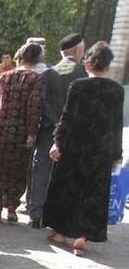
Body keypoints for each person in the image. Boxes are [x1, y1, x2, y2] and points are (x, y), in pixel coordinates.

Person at [42, 41, 124, 256]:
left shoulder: (78, 86)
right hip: (101, 150)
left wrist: (57, 142)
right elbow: (116, 124)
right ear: (108, 65)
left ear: (88, 63)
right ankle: (81, 238)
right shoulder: (116, 90)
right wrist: (117, 153)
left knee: (68, 188)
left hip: (75, 147)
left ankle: (60, 232)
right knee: (93, 192)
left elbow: (67, 118)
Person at [0, 42, 45, 223]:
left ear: (19, 57)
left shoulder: (4, 77)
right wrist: (32, 133)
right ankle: (12, 208)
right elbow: (34, 107)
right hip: (19, 131)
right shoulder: (36, 79)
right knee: (15, 170)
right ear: (37, 60)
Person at [27, 35, 88, 228]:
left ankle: (36, 214)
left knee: (42, 170)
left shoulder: (48, 74)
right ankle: (57, 217)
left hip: (47, 131)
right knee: (66, 174)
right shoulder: (83, 74)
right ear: (78, 50)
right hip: (73, 133)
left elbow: (41, 104)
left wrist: (54, 124)